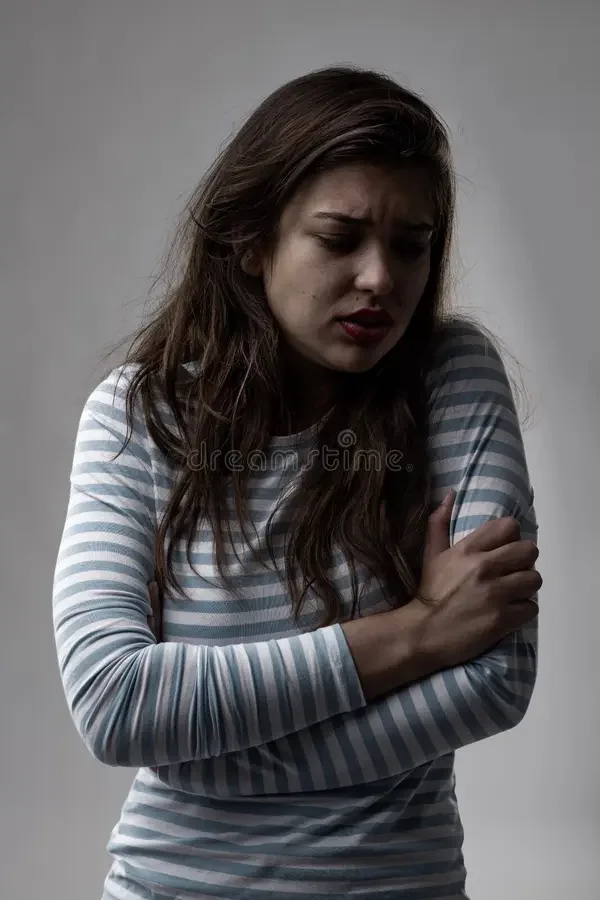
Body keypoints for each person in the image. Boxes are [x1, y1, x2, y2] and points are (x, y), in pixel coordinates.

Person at [52, 65, 542, 900]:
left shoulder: (449, 378)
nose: (381, 278)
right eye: (340, 238)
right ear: (253, 241)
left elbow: (495, 681)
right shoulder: (139, 418)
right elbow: (114, 702)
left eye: (411, 245)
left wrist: (199, 753)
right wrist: (421, 630)